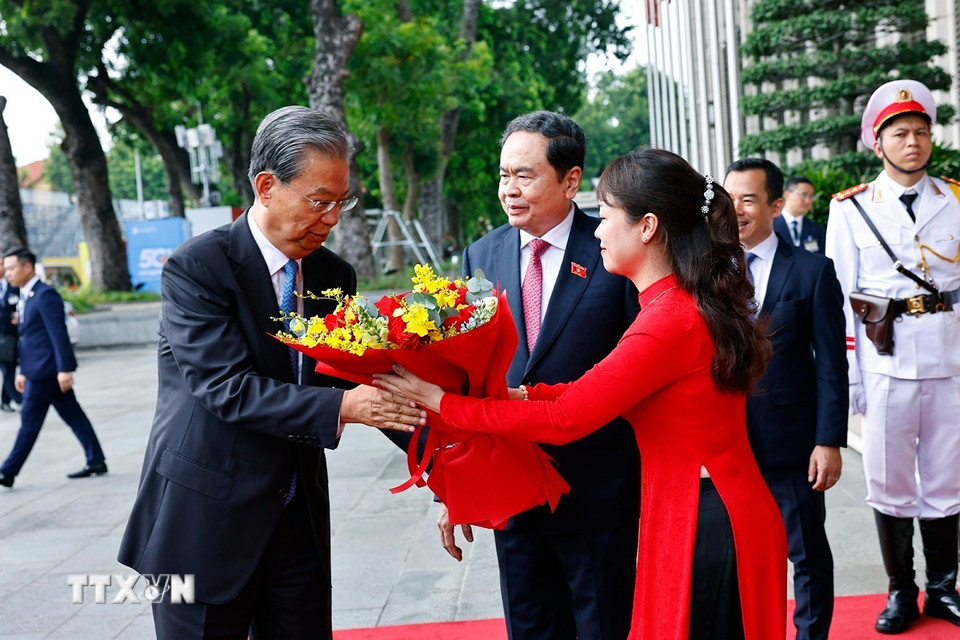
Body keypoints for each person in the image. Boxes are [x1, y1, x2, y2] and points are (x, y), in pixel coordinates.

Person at [377, 148, 788, 640]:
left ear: (647, 226)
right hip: (695, 507)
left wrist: (444, 403)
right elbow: (587, 391)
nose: (596, 230)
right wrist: (513, 396)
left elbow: (569, 417)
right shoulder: (672, 305)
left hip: (704, 518)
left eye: (608, 215)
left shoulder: (667, 319)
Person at [117, 106, 424, 640]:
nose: (332, 219)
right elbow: (225, 388)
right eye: (319, 201)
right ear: (266, 186)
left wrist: (448, 455)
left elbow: (352, 378)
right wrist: (344, 408)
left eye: (341, 202)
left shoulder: (332, 275)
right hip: (203, 522)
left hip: (295, 521)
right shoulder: (198, 268)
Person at [438, 110, 640, 640]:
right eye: (504, 174)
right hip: (514, 493)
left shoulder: (615, 250)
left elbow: (638, 374)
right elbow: (469, 375)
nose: (510, 188)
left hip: (597, 491)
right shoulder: (482, 255)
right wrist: (452, 487)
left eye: (525, 175)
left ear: (571, 180)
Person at [825, 79, 960, 633]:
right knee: (888, 479)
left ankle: (944, 588)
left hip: (950, 361)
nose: (913, 142)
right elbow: (839, 301)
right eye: (900, 133)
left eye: (921, 132)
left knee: (948, 478)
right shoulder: (852, 209)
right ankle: (901, 591)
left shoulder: (954, 198)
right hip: (884, 365)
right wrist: (851, 378)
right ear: (877, 143)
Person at [725, 158, 848, 640]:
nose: (734, 209)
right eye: (728, 197)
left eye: (748, 199)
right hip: (728, 445)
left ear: (776, 205)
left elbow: (830, 363)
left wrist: (828, 440)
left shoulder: (813, 272)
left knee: (807, 556)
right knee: (736, 555)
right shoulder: (705, 271)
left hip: (793, 446)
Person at [0, 249, 105, 488]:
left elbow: (58, 334)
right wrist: (23, 371)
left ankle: (7, 471)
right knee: (74, 415)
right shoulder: (26, 295)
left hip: (47, 372)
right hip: (37, 369)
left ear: (28, 268)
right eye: (5, 269)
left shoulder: (45, 295)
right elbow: (30, 338)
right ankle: (96, 460)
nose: (7, 273)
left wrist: (64, 369)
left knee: (29, 421)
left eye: (11, 268)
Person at [774, 176, 825, 254]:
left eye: (811, 196)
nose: (808, 201)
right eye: (803, 195)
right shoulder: (770, 226)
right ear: (787, 194)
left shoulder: (815, 229)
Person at [0, 274, 22, 412]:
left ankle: (5, 400)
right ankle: (19, 399)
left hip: (10, 336)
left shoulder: (13, 285)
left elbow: (19, 304)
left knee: (10, 368)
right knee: (7, 369)